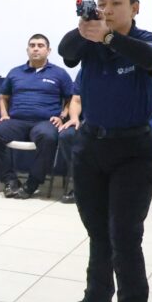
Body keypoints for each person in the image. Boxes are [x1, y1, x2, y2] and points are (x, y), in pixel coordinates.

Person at [57, 0, 152, 302]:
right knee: (98, 232)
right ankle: (97, 299)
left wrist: (107, 37)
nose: (107, 9)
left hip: (133, 150)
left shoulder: (147, 41)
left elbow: (150, 61)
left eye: (116, 3)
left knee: (124, 237)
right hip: (90, 146)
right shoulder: (91, 42)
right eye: (102, 3)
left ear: (134, 8)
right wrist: (87, 28)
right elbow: (66, 50)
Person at [0, 34, 73, 199]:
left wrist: (63, 115)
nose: (36, 48)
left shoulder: (59, 73)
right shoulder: (15, 72)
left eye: (40, 45)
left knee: (48, 137)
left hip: (45, 122)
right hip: (17, 121)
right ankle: (10, 180)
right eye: (32, 45)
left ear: (48, 50)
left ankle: (32, 183)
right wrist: (4, 115)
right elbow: (3, 97)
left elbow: (71, 99)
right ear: (27, 50)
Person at [58, 72, 82, 204]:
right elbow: (77, 99)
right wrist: (74, 118)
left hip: (118, 124)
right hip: (89, 122)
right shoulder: (87, 69)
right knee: (66, 135)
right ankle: (79, 186)